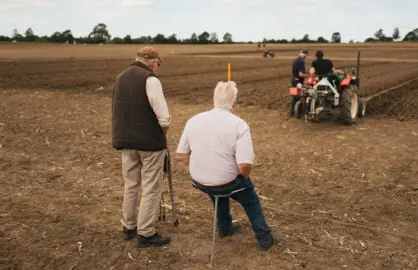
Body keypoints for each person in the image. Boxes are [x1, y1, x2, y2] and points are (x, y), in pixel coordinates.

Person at [175, 81, 275, 250]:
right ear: (234, 103)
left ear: (213, 99)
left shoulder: (193, 120)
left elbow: (182, 155)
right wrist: (243, 176)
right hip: (227, 182)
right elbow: (244, 165)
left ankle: (224, 228)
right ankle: (264, 238)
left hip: (200, 181)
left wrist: (203, 167)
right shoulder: (239, 125)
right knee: (249, 197)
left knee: (217, 192)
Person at [112, 46, 172, 248]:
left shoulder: (121, 77)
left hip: (126, 142)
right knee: (151, 187)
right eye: (158, 64)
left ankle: (128, 227)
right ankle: (146, 232)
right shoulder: (151, 80)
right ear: (154, 62)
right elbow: (163, 117)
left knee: (131, 185)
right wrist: (161, 135)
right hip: (149, 144)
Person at [290, 48, 308, 117]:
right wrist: (307, 75)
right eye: (306, 55)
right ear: (305, 54)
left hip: (294, 80)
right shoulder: (301, 61)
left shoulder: (295, 60)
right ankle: (300, 113)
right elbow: (301, 74)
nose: (305, 57)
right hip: (298, 82)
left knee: (295, 96)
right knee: (302, 96)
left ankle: (292, 112)